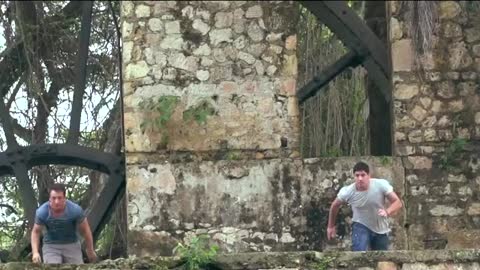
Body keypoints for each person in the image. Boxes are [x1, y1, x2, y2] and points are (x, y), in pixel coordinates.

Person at [326, 161, 403, 251]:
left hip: (380, 227)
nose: (360, 179)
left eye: (363, 175)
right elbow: (334, 206)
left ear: (369, 176)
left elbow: (397, 202)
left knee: (382, 260)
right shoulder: (348, 191)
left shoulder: (380, 185)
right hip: (360, 224)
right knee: (359, 253)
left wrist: (387, 211)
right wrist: (330, 226)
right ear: (354, 176)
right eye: (357, 175)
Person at [31, 183, 97, 264]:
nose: (56, 201)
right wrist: (35, 253)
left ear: (64, 198)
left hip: (72, 244)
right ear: (49, 199)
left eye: (59, 198)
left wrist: (90, 250)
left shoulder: (75, 210)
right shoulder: (42, 212)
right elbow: (36, 232)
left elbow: (86, 230)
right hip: (51, 246)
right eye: (54, 198)